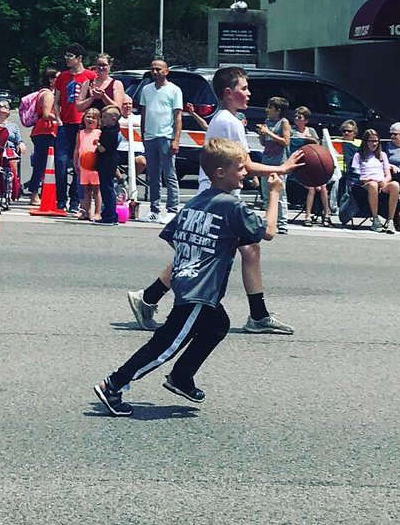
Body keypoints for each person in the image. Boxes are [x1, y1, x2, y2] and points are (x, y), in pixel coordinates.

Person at [94, 138, 283, 416]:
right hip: (199, 291)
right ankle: (114, 384)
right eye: (240, 168)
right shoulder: (233, 207)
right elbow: (268, 231)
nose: (245, 173)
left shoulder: (195, 202)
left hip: (187, 281)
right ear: (221, 172)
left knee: (218, 325)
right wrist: (274, 192)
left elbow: (174, 236)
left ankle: (181, 377)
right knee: (166, 344)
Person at [126, 67, 301, 336]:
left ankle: (257, 314)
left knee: (242, 250)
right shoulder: (229, 121)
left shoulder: (227, 119)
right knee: (204, 254)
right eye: (244, 88)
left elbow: (240, 164)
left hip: (219, 193)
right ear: (229, 93)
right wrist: (283, 168)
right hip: (218, 196)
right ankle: (149, 298)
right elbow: (246, 163)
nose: (249, 92)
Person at [135, 59, 183, 223]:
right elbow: (143, 114)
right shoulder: (147, 90)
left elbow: (177, 117)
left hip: (166, 137)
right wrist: (143, 135)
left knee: (169, 174)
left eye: (158, 69)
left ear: (166, 71)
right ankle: (154, 209)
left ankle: (172, 209)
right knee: (153, 175)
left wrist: (175, 139)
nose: (155, 72)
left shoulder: (174, 90)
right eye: (152, 69)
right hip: (150, 137)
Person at [53, 44, 95, 213]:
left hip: (82, 125)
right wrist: (58, 119)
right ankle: (60, 199)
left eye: (70, 56)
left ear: (79, 58)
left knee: (80, 162)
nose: (67, 59)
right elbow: (56, 101)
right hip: (65, 124)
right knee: (61, 162)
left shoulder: (90, 76)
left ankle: (75, 199)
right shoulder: (62, 77)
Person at [352, 129, 400, 233]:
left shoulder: (382, 155)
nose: (374, 144)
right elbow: (356, 175)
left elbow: (388, 174)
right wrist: (368, 180)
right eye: (371, 141)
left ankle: (390, 220)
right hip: (365, 185)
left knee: (395, 185)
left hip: (382, 184)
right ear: (365, 142)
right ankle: (375, 219)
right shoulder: (358, 156)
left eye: (376, 141)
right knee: (373, 184)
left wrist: (385, 182)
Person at [290, 106, 332, 226]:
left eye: (299, 117)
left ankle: (327, 214)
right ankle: (307, 216)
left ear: (306, 120)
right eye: (295, 116)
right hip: (299, 168)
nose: (296, 119)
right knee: (312, 188)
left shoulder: (311, 131)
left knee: (323, 186)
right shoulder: (292, 131)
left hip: (312, 167)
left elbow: (318, 147)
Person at [256, 96, 291, 233]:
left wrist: (269, 132)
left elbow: (285, 141)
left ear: (278, 110)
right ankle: (269, 220)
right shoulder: (267, 121)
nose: (267, 110)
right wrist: (261, 135)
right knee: (266, 191)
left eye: (270, 107)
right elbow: (264, 143)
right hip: (267, 159)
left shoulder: (284, 122)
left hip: (279, 162)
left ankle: (282, 223)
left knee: (279, 193)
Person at [25, 67, 59, 205]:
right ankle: (34, 193)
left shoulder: (48, 93)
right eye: (57, 77)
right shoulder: (48, 94)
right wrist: (60, 118)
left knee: (44, 164)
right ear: (50, 79)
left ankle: (38, 191)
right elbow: (46, 114)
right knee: (41, 164)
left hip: (43, 132)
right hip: (44, 131)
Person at [96, 104, 122, 225]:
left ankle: (109, 216)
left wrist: (97, 143)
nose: (103, 119)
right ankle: (112, 215)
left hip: (107, 162)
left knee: (107, 189)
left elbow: (103, 149)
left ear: (114, 118)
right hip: (108, 162)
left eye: (106, 117)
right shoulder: (111, 129)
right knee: (107, 188)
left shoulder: (111, 133)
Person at [76, 108, 102, 221]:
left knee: (96, 190)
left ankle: (97, 212)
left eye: (94, 117)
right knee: (86, 189)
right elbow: (77, 149)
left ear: (98, 121)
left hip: (95, 166)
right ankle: (86, 211)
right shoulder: (80, 133)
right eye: (88, 116)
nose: (90, 119)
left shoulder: (99, 133)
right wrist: (76, 162)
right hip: (84, 165)